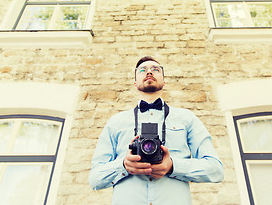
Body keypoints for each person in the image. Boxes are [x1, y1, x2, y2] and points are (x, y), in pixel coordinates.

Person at [89, 56, 224, 205]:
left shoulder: (186, 118)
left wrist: (173, 166)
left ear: (164, 81)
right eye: (142, 70)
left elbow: (216, 169)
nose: (149, 72)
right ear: (135, 82)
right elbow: (95, 178)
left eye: (155, 69)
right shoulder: (116, 122)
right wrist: (124, 165)